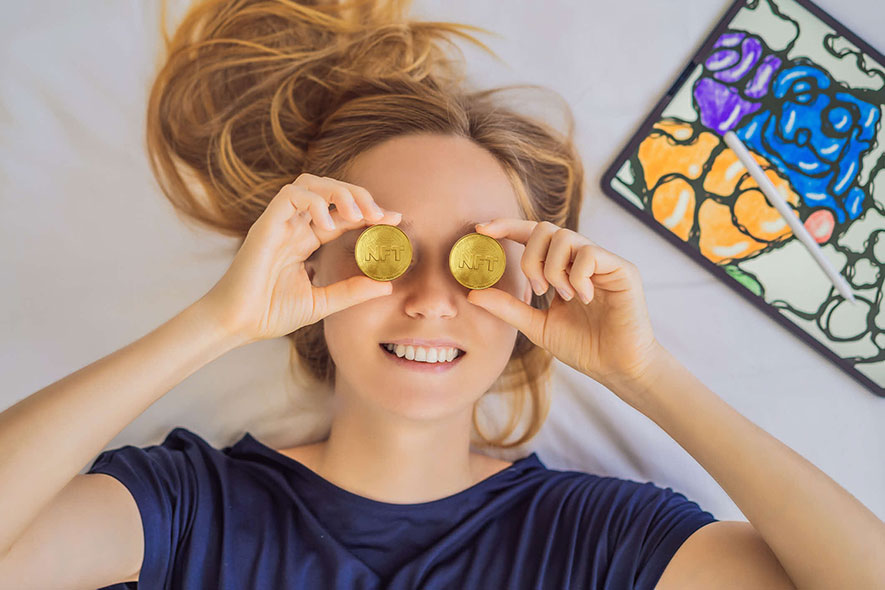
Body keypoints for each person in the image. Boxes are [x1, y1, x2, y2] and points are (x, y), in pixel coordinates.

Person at [1, 0, 883, 588]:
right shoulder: (191, 506)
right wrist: (216, 323)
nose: (429, 297)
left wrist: (646, 375)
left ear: (535, 298)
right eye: (385, 253)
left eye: (477, 260)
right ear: (312, 273)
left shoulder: (595, 539)